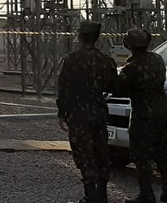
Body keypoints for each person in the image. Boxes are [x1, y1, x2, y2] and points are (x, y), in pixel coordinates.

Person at [56, 20, 119, 203]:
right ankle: (103, 194)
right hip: (99, 111)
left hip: (78, 112)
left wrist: (62, 112)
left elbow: (64, 88)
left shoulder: (72, 60)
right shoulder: (106, 60)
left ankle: (90, 194)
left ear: (80, 36)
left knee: (84, 153)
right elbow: (115, 87)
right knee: (101, 152)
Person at [116, 28, 167, 203]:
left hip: (143, 113)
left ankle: (146, 194)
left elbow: (119, 90)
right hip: (162, 109)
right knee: (162, 151)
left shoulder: (131, 68)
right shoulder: (158, 59)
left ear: (128, 45)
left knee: (141, 154)